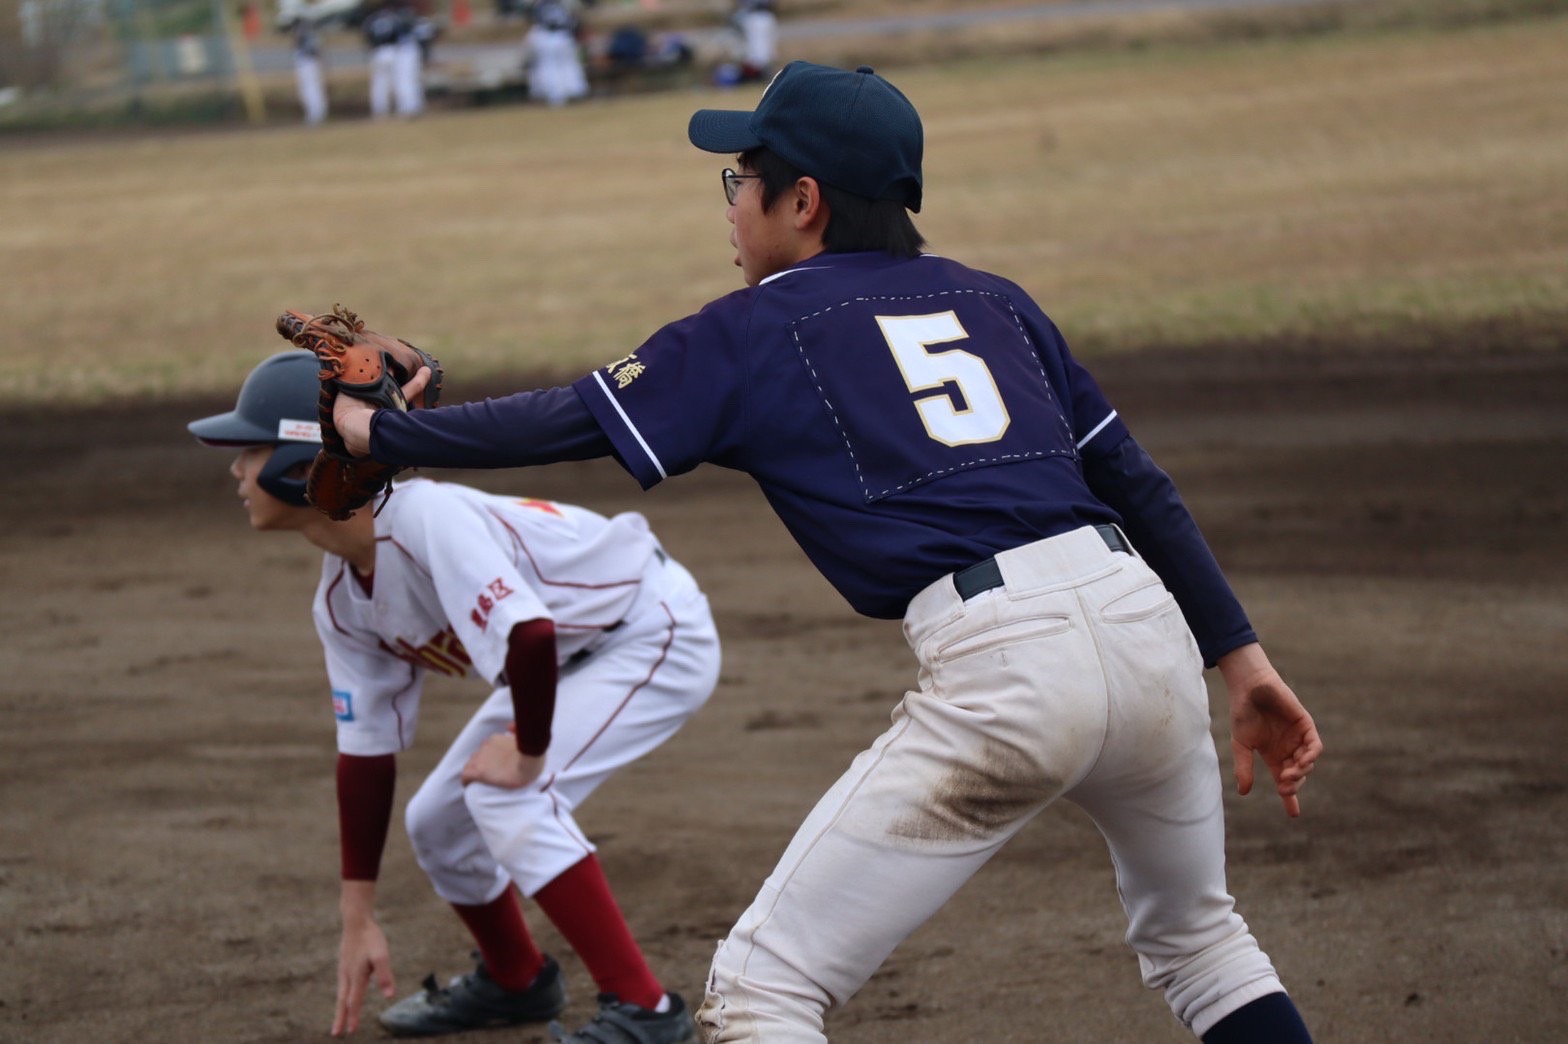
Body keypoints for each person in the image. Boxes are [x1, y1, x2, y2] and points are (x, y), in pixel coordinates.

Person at [326, 61, 1323, 1043]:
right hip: (1142, 627)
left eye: (740, 179)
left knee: (762, 991)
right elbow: (1135, 484)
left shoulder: (758, 328)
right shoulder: (997, 302)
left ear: (801, 202)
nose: (728, 204)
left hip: (1007, 668)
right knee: (1201, 943)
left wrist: (384, 437)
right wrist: (1240, 658)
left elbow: (570, 417)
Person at [188, 352, 718, 1043]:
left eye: (249, 450)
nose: (235, 470)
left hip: (651, 629)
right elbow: (366, 757)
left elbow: (527, 634)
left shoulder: (424, 518)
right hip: (562, 660)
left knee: (507, 794)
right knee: (437, 820)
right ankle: (517, 979)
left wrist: (528, 755)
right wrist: (359, 919)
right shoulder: (341, 600)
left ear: (300, 459)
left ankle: (646, 1012)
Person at [522, 0, 588, 107]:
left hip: (545, 36)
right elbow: (574, 19)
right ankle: (574, 92)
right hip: (562, 35)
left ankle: (557, 95)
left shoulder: (539, 4)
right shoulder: (561, 4)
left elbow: (529, 18)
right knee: (568, 64)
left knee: (549, 66)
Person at [289, 14, 328, 125]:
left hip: (306, 63)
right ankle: (317, 113)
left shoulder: (303, 33)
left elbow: (312, 49)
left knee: (309, 89)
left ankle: (315, 114)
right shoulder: (310, 32)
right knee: (313, 89)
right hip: (311, 63)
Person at [731, 0, 777, 80]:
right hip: (758, 60)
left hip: (755, 60)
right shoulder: (768, 19)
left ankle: (758, 74)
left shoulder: (749, 20)